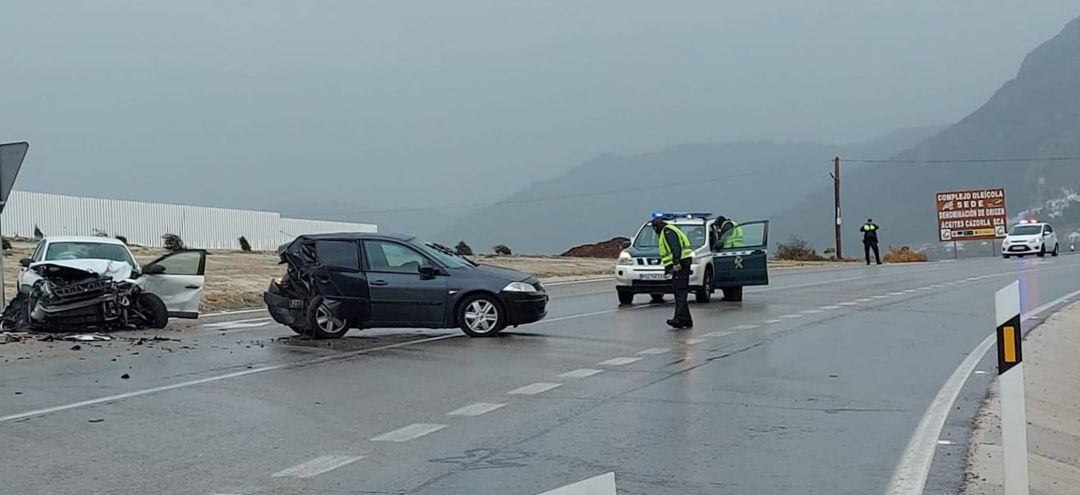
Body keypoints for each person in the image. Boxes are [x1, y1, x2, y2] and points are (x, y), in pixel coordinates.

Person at [654, 217, 694, 328]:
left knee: (680, 292)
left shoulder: (667, 231)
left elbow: (676, 247)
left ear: (656, 226)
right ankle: (686, 319)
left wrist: (676, 263)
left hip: (680, 265)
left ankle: (679, 318)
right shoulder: (669, 230)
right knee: (679, 292)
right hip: (682, 264)